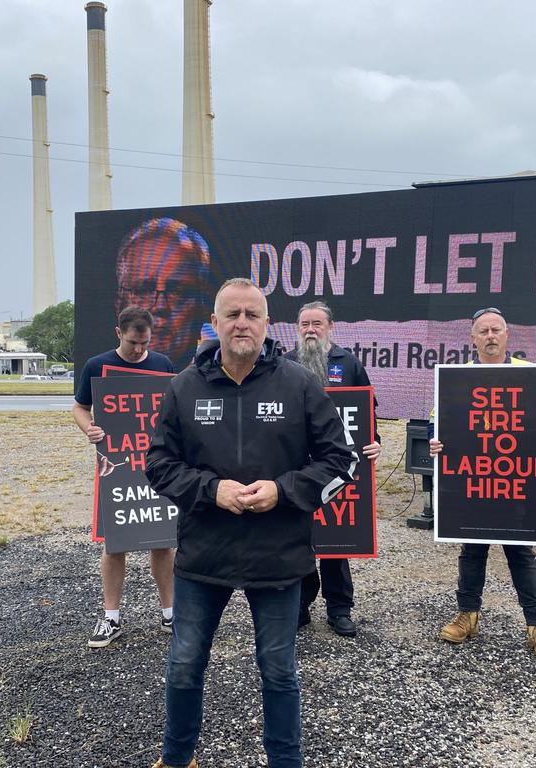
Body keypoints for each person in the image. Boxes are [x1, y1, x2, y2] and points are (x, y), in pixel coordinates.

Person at [146, 278, 357, 768]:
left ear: (266, 324)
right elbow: (158, 463)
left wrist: (283, 491)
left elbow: (339, 461)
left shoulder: (300, 383)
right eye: (232, 314)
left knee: (280, 671)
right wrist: (209, 490)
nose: (242, 322)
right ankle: (177, 759)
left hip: (278, 557)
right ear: (214, 323)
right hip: (203, 555)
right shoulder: (184, 387)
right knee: (182, 668)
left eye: (253, 314)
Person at [430, 307, 536, 659]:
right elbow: (436, 423)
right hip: (474, 482)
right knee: (472, 550)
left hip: (515, 483)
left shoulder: (532, 376)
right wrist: (434, 438)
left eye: (496, 330)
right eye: (483, 331)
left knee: (521, 552)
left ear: (507, 335)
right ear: (472, 338)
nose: (490, 336)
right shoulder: (456, 380)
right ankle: (467, 616)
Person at [73, 306, 176, 648]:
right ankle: (111, 617)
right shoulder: (97, 365)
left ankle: (170, 613)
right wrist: (89, 429)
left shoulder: (162, 365)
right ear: (118, 333)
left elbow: (172, 412)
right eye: (133, 342)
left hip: (157, 464)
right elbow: (80, 407)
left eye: (144, 342)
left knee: (162, 540)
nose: (138, 349)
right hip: (116, 466)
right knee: (115, 543)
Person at [284, 301, 381, 637]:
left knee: (337, 539)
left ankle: (339, 609)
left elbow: (367, 411)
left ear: (330, 327)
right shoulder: (284, 363)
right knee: (299, 538)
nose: (310, 330)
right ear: (297, 328)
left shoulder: (348, 363)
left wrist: (375, 441)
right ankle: (299, 607)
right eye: (305, 324)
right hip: (297, 469)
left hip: (339, 468)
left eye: (317, 324)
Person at [116, 217, 210, 371]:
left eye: (177, 291)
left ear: (203, 304)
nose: (159, 306)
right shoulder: (100, 372)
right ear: (120, 302)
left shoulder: (217, 381)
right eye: (143, 290)